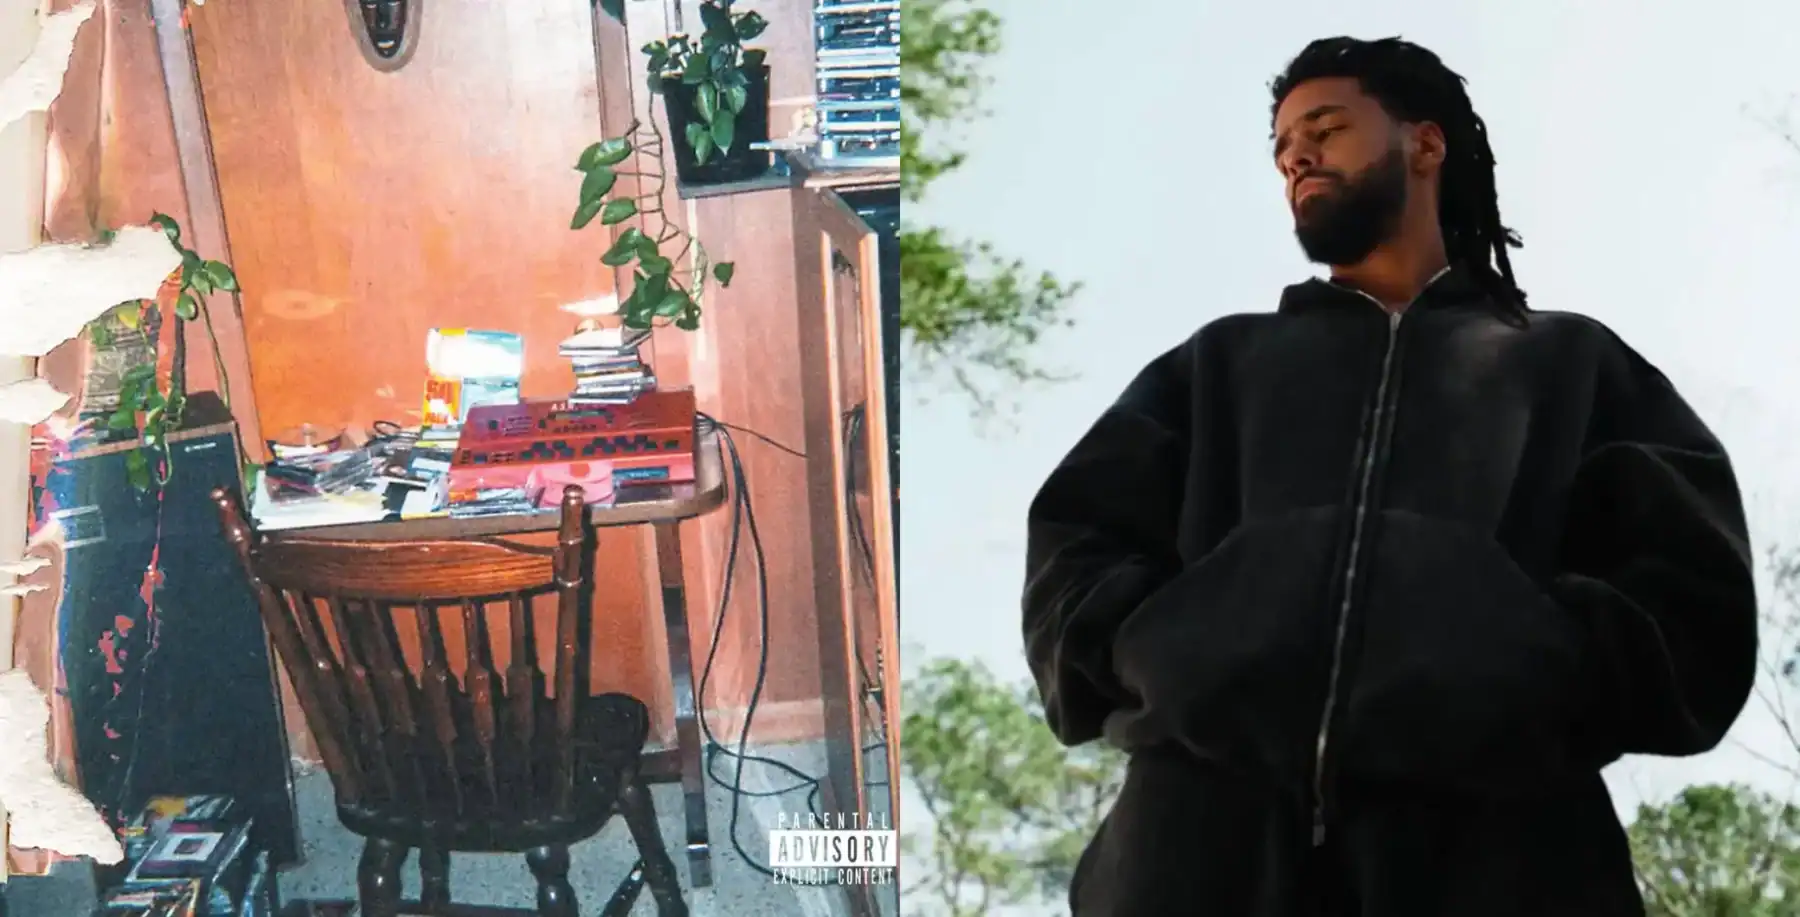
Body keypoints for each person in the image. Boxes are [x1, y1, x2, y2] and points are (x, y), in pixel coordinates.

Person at [1021, 36, 1758, 916]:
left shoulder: (1570, 363)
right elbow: (1073, 550)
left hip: (1507, 861)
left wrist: (1527, 666)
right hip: (1196, 858)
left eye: (1325, 127)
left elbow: (1693, 601)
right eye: (1284, 145)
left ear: (1425, 143)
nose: (1297, 154)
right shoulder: (1218, 364)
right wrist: (1178, 652)